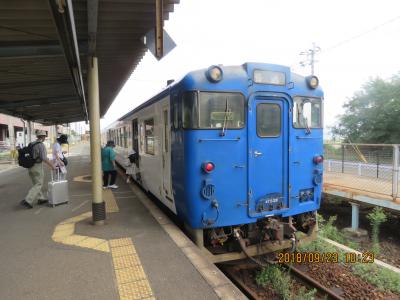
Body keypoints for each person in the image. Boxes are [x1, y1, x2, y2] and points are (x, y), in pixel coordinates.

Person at [21, 130, 56, 209]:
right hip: (37, 166)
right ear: (43, 137)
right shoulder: (41, 145)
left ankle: (41, 198)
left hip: (30, 166)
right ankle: (28, 200)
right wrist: (52, 165)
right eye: (44, 137)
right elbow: (44, 158)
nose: (44, 138)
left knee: (35, 183)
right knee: (39, 184)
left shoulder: (31, 144)